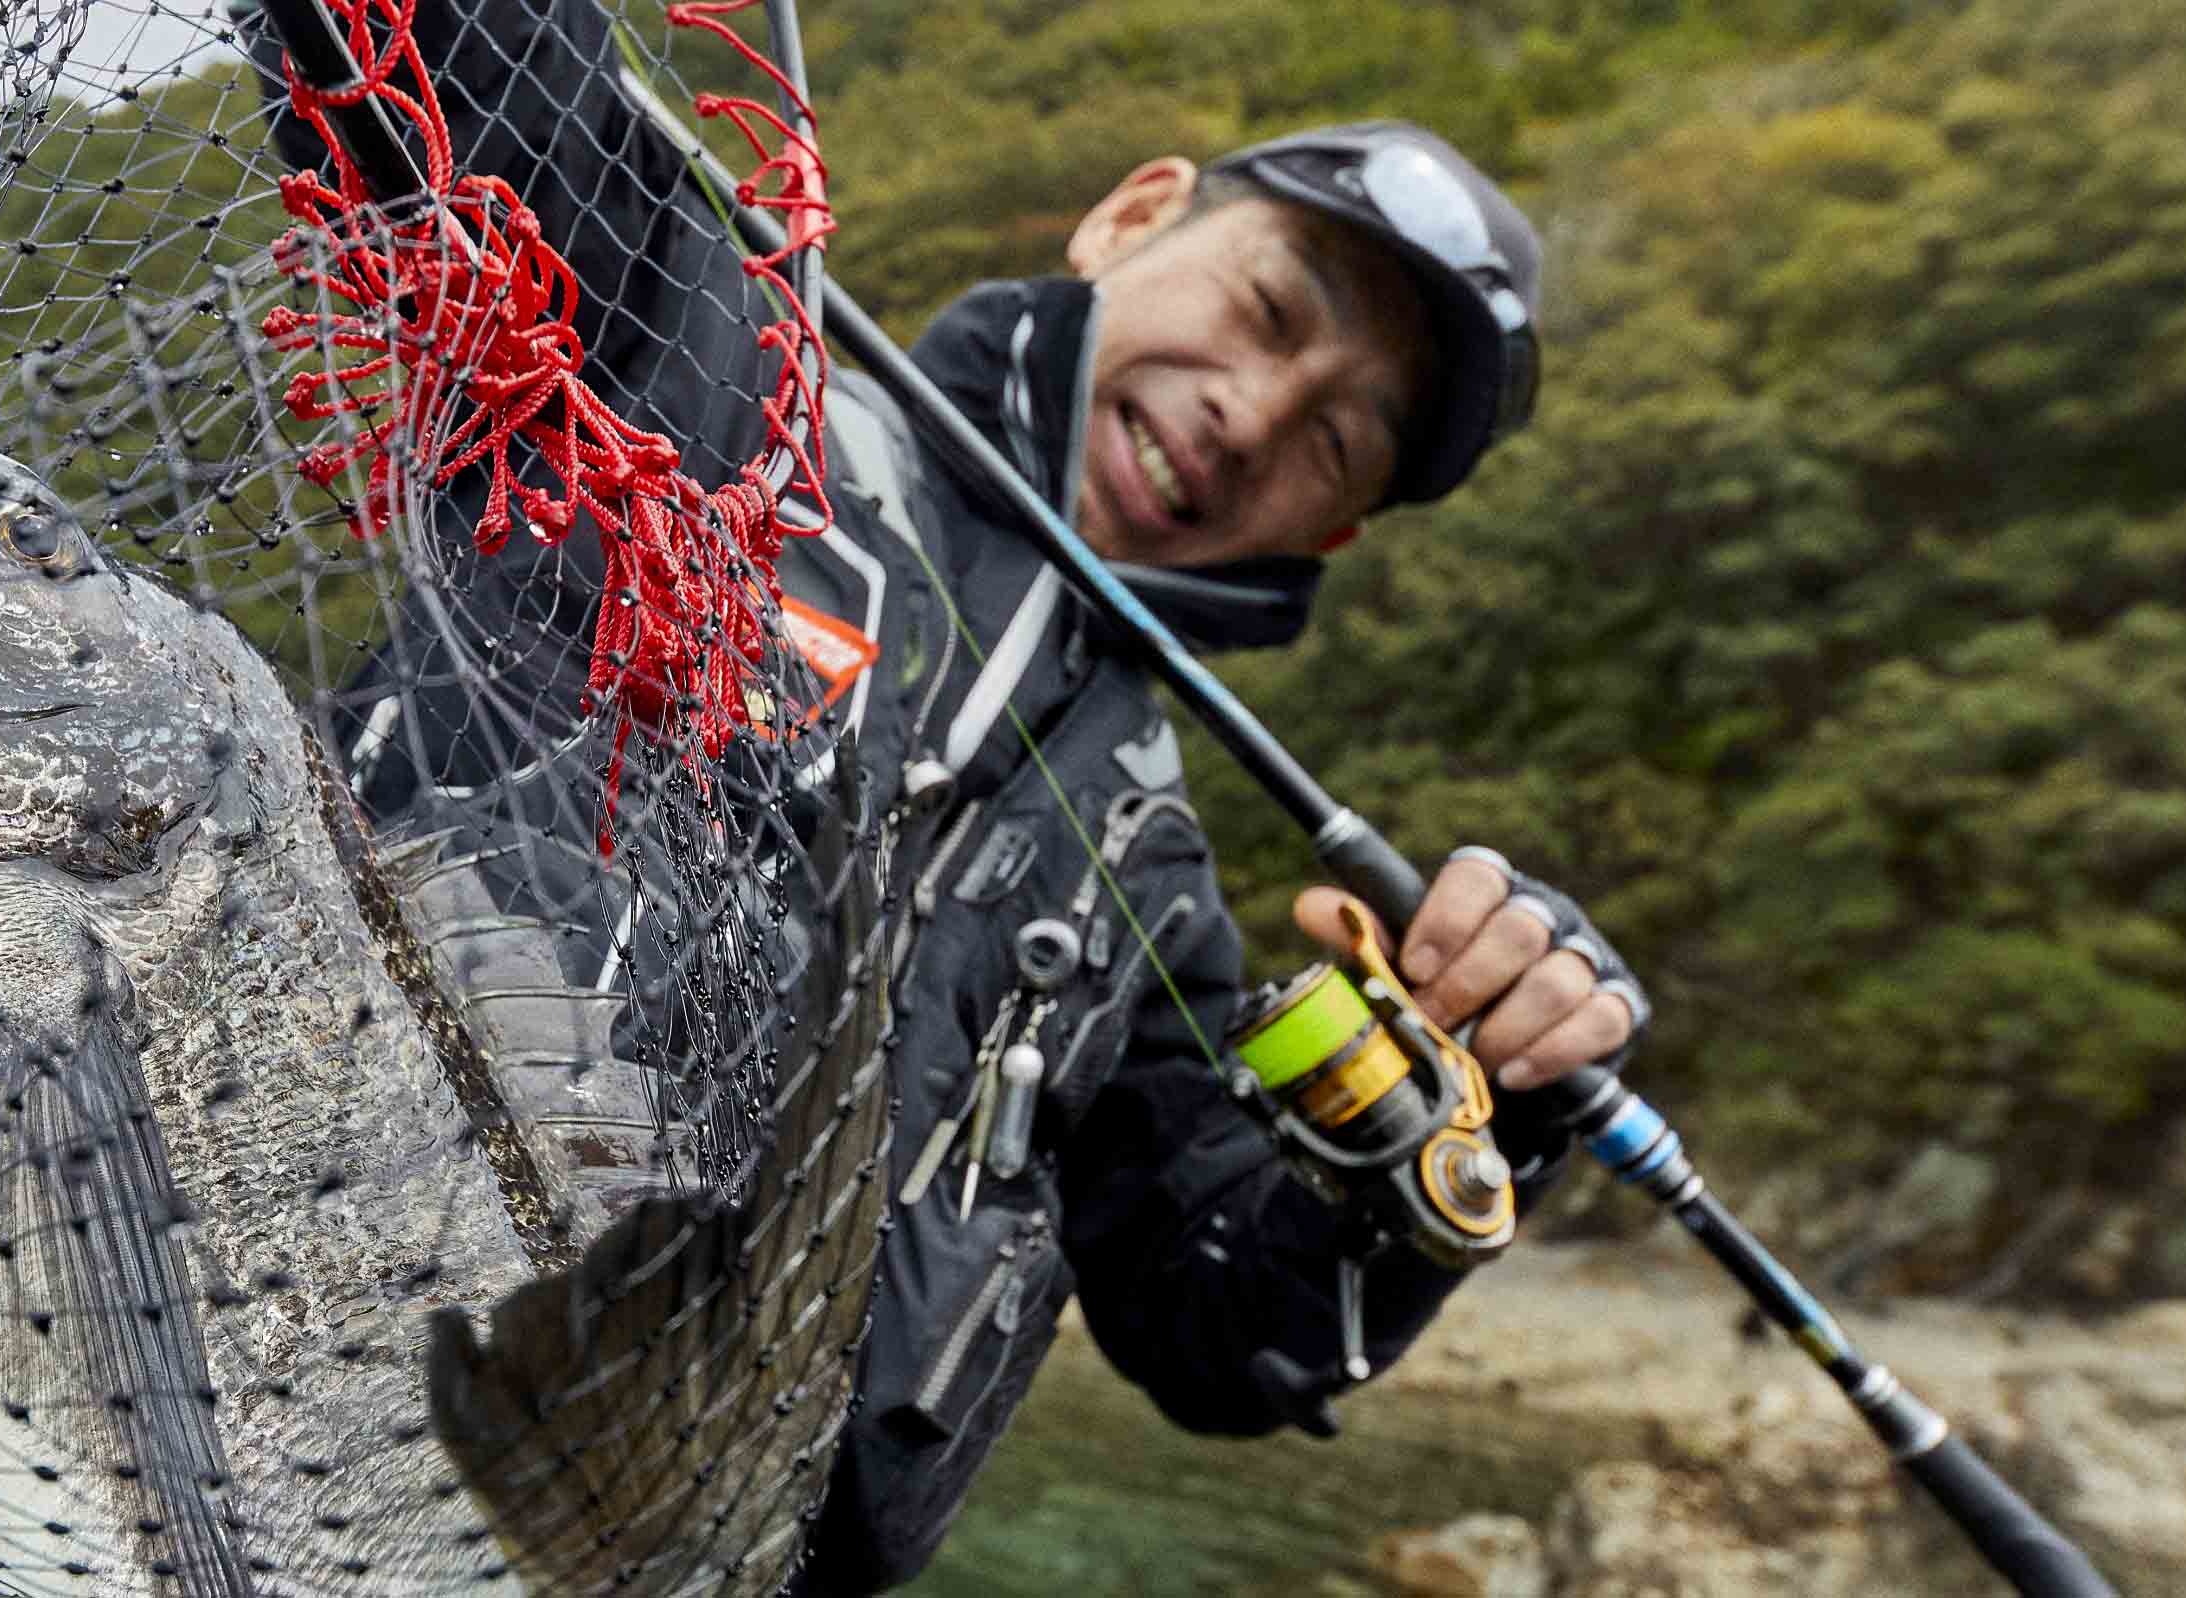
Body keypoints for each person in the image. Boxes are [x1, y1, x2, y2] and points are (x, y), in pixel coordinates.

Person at [238, 4, 1650, 1591]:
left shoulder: (1154, 895)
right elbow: (454, 74)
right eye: (1266, 309)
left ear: (1330, 535)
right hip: (253, 1360)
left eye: (1335, 435)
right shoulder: (699, 366)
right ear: (1132, 215)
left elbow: (1225, 1328)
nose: (1250, 416)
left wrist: (1495, 1110)